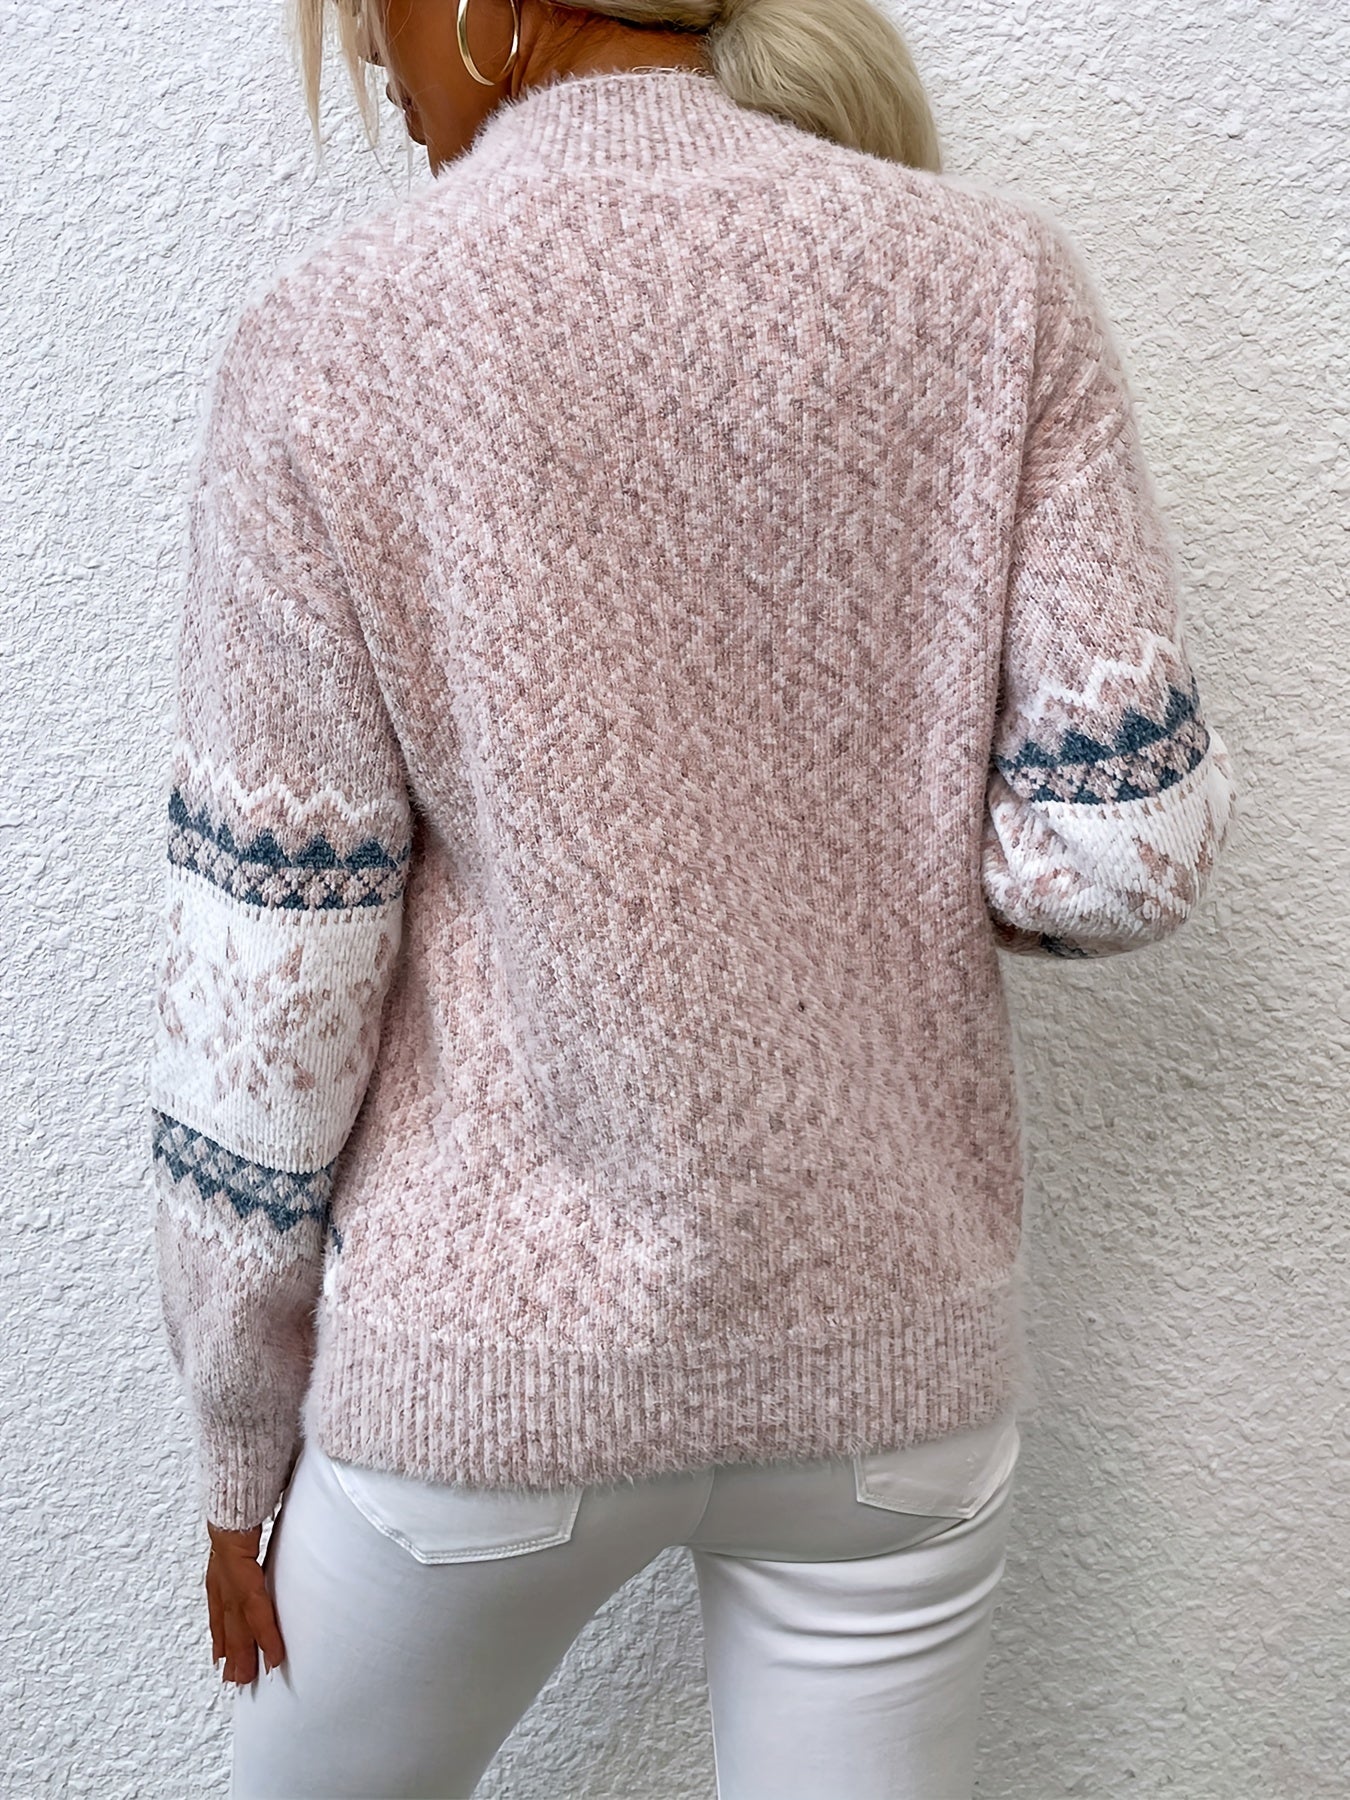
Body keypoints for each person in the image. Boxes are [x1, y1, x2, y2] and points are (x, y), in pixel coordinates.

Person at [146, 0, 1237, 1795]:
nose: (383, 79)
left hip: (486, 1388)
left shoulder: (332, 335)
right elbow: (1128, 854)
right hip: (887, 1391)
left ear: (489, 6)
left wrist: (236, 1435)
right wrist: (852, 848)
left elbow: (276, 967)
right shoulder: (997, 285)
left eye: (373, 23)